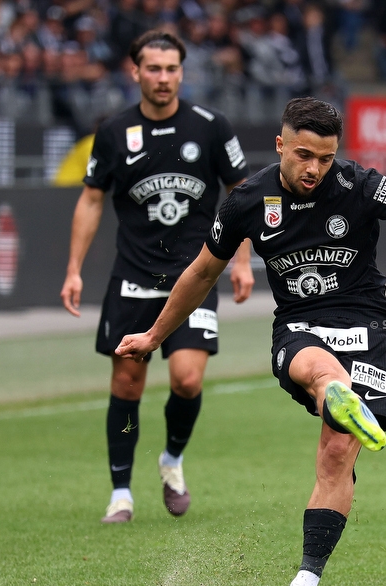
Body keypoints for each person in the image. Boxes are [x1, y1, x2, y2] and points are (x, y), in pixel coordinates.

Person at [115, 97, 386, 586]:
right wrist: (154, 335)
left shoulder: (360, 184)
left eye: (326, 157)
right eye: (304, 155)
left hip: (368, 328)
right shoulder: (246, 200)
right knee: (323, 376)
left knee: (338, 455)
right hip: (300, 328)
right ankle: (338, 391)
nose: (315, 168)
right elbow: (201, 274)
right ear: (281, 145)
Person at [59, 30, 255, 525]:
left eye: (171, 69)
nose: (163, 78)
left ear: (181, 73)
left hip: (194, 277)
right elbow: (90, 199)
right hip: (133, 277)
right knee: (127, 386)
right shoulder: (112, 132)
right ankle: (121, 493)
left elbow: (243, 193)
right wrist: (74, 270)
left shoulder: (211, 127)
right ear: (136, 72)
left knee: (187, 381)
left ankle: (171, 459)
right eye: (153, 68)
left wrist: (242, 260)